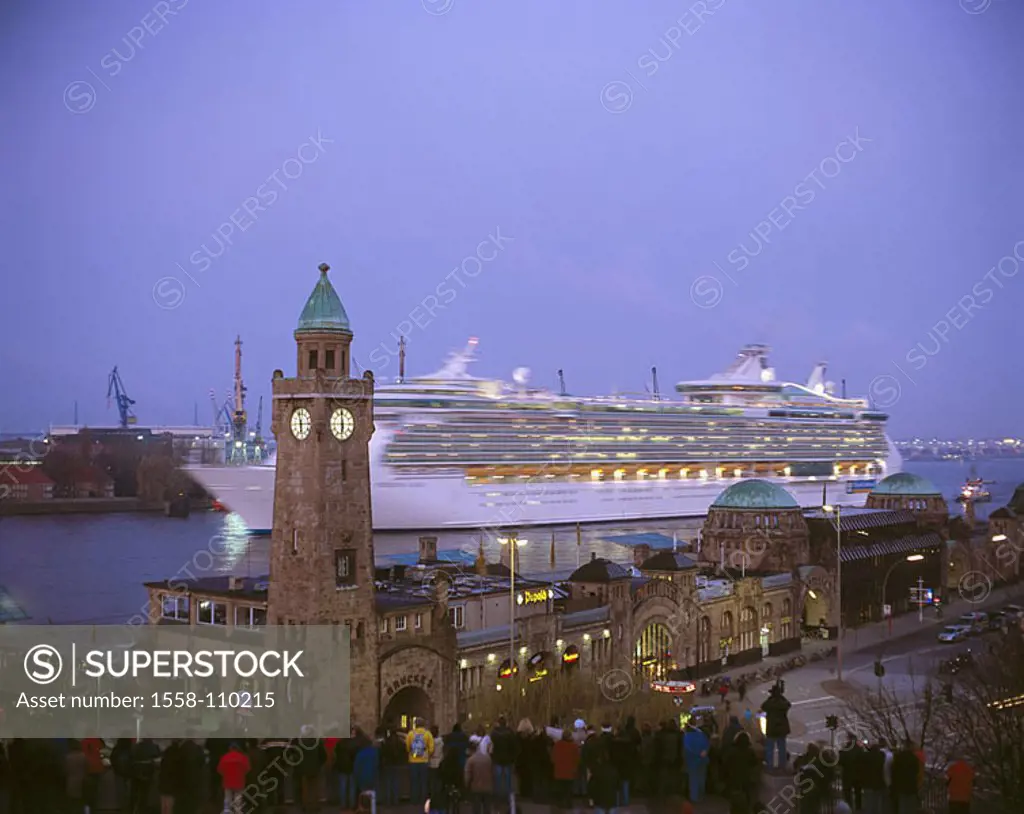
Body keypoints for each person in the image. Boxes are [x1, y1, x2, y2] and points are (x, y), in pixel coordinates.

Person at [760, 683, 791, 771]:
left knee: (770, 749)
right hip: (781, 728)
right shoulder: (782, 703)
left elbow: (763, 706)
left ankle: (770, 766)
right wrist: (781, 697)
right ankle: (782, 766)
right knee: (782, 748)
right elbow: (788, 705)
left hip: (771, 728)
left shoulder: (769, 703)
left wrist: (771, 698)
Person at [406, 718, 435, 804]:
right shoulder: (427, 734)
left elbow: (407, 747)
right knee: (424, 781)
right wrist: (427, 754)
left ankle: (414, 800)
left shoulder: (411, 734)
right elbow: (431, 748)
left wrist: (411, 753)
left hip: (413, 761)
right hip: (424, 761)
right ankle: (423, 800)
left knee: (414, 781)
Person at [217, 743, 251, 814]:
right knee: (238, 797)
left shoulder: (224, 757)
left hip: (227, 780)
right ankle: (238, 811)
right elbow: (247, 769)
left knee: (227, 797)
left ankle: (226, 810)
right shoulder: (243, 757)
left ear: (230, 749)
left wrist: (225, 775)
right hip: (239, 780)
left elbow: (219, 769)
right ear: (237, 749)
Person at [489, 716, 517, 800]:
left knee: (498, 778)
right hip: (507, 758)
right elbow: (514, 746)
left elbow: (491, 745)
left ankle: (497, 795)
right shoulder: (510, 733)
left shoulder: (494, 733)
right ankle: (508, 796)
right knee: (508, 778)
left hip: (497, 758)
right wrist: (513, 758)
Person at [683, 721, 710, 803]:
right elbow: (707, 746)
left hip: (692, 761)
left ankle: (694, 797)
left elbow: (687, 749)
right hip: (703, 760)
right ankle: (701, 795)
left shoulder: (687, 737)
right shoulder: (702, 736)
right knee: (702, 778)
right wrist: (703, 753)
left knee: (693, 779)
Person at [890, 740, 920, 814]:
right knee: (910, 807)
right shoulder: (914, 758)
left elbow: (894, 772)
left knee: (902, 807)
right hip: (911, 786)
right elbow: (917, 771)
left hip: (900, 786)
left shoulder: (898, 757)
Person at [551, 730, 579, 809]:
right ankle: (568, 804)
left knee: (560, 789)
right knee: (568, 790)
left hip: (559, 771)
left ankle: (560, 804)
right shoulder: (574, 746)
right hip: (569, 772)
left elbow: (553, 758)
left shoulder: (557, 745)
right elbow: (577, 759)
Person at [464, 742, 493, 814]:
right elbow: (492, 771)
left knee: (476, 808)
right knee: (487, 807)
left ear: (469, 750)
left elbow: (467, 775)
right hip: (488, 786)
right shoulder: (488, 758)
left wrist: (466, 785)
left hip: (476, 787)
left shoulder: (470, 760)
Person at [157, 739, 184, 814]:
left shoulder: (167, 752)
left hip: (163, 782)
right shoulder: (180, 753)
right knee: (170, 806)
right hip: (172, 784)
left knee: (164, 805)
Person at [861, 741, 888, 814]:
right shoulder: (881, 756)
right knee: (878, 804)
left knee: (868, 804)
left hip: (868, 783)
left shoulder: (865, 756)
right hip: (879, 783)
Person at [65, 740, 88, 814]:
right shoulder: (83, 756)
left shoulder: (68, 757)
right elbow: (87, 768)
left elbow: (65, 770)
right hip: (81, 781)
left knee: (71, 802)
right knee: (81, 802)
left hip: (70, 781)